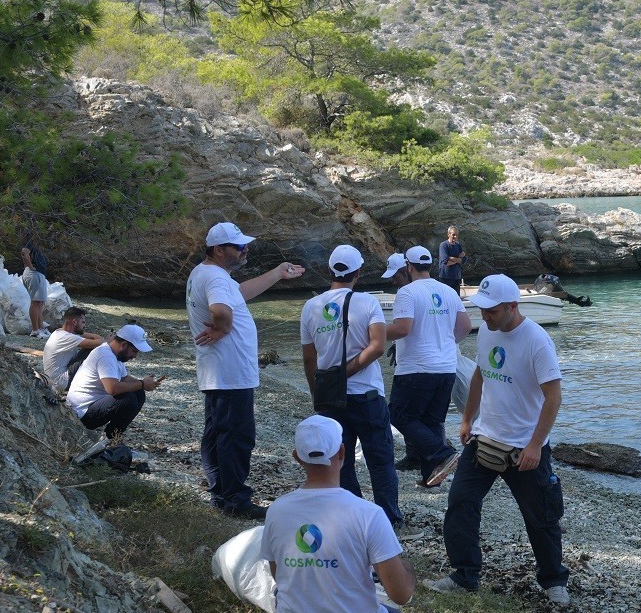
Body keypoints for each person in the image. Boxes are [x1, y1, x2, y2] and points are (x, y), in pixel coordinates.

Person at [426, 275, 569, 606]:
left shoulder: (537, 341)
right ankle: (464, 575)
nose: (484, 317)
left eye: (491, 311)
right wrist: (467, 418)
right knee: (461, 503)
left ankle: (553, 580)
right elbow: (480, 375)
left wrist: (536, 444)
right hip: (484, 439)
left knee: (541, 517)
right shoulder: (488, 332)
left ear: (512, 307)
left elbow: (553, 398)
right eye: (482, 309)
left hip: (525, 448)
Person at [260, 415, 421, 613]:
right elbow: (400, 595)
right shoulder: (368, 514)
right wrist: (408, 571)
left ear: (296, 457)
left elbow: (279, 576)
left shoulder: (277, 511)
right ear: (343, 452)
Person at [187, 222, 306, 520]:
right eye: (239, 246)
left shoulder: (209, 274)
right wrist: (222, 328)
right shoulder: (215, 277)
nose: (245, 250)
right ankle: (236, 499)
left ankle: (221, 492)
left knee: (217, 432)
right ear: (219, 250)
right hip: (229, 372)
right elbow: (221, 310)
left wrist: (278, 273)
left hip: (220, 371)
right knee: (236, 435)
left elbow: (238, 293)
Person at [301, 245, 401, 529]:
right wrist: (349, 371)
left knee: (339, 461)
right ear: (358, 272)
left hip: (330, 400)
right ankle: (388, 521)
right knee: (380, 461)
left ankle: (350, 517)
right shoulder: (367, 303)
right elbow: (378, 347)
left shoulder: (311, 307)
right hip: (366, 396)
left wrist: (316, 393)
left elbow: (309, 358)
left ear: (330, 271)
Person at [386, 246, 469, 490]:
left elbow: (402, 328)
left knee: (399, 415)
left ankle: (442, 453)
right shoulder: (448, 291)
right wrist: (442, 342)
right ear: (430, 265)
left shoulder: (407, 292)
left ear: (408, 267)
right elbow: (464, 326)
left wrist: (372, 333)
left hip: (415, 367)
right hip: (445, 367)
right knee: (432, 421)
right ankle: (430, 477)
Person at [66, 324, 163, 442]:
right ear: (123, 345)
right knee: (128, 400)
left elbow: (124, 378)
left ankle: (112, 438)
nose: (135, 356)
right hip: (81, 412)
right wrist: (142, 384)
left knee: (138, 393)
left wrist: (145, 383)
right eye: (134, 351)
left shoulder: (114, 354)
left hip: (93, 405)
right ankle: (109, 439)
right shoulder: (105, 355)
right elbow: (112, 389)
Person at [40, 307, 105, 394]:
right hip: (61, 382)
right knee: (91, 349)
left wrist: (81, 332)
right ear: (74, 322)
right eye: (82, 322)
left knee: (93, 347)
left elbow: (95, 338)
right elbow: (99, 343)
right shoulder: (66, 337)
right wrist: (112, 340)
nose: (84, 326)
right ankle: (105, 378)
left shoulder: (60, 332)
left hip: (56, 378)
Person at [19, 241, 50, 338]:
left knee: (40, 303)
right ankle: (35, 330)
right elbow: (24, 253)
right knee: (35, 302)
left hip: (39, 274)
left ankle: (41, 328)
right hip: (34, 273)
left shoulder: (35, 240)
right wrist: (31, 267)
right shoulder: (30, 239)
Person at [436, 226, 466, 294]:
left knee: (456, 298)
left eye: (457, 235)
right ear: (448, 234)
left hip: (456, 277)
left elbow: (463, 260)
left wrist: (451, 258)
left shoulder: (458, 245)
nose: (455, 237)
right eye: (453, 235)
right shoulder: (443, 245)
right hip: (445, 277)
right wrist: (458, 259)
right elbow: (446, 262)